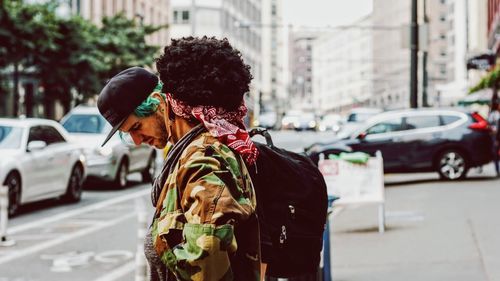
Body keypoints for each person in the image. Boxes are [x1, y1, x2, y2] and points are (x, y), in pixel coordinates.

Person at [97, 36, 261, 281]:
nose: (138, 141)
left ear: (159, 105)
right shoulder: (188, 153)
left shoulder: (204, 158)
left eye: (137, 127)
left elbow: (207, 265)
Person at [488, 102, 500, 177]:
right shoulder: (494, 114)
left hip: (496, 137)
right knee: (495, 154)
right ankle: (497, 170)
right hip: (496, 137)